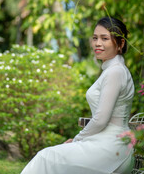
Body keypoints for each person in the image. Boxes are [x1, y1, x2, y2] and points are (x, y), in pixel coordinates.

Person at [21, 17, 135, 174]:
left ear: (120, 44)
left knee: (45, 157)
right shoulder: (113, 69)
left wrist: (76, 139)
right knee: (50, 157)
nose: (97, 43)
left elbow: (101, 119)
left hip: (112, 148)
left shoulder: (115, 71)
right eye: (95, 38)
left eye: (104, 38)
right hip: (107, 143)